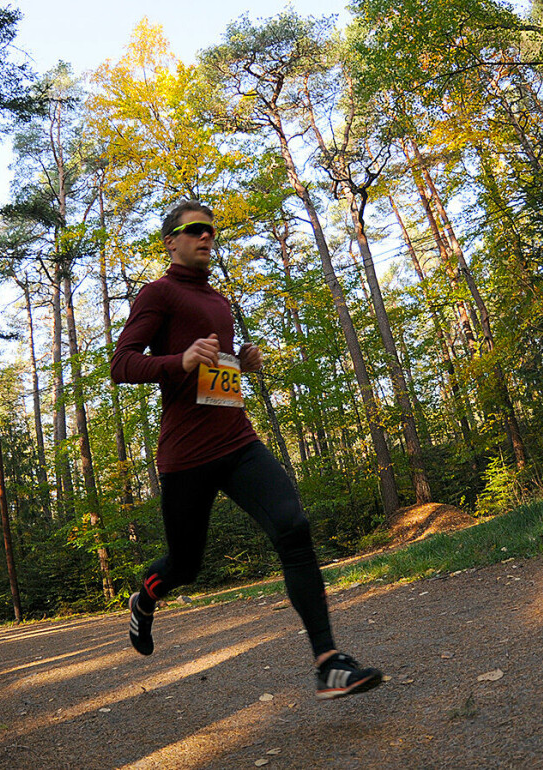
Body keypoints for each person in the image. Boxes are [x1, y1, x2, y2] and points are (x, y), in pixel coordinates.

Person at [110, 199, 383, 700]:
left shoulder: (220, 302)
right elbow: (121, 364)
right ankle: (145, 598)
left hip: (237, 441)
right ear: (170, 241)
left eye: (210, 230)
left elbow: (217, 374)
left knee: (293, 528)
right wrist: (180, 360)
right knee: (186, 565)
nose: (206, 237)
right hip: (186, 455)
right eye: (194, 230)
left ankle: (328, 662)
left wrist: (242, 361)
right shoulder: (157, 293)